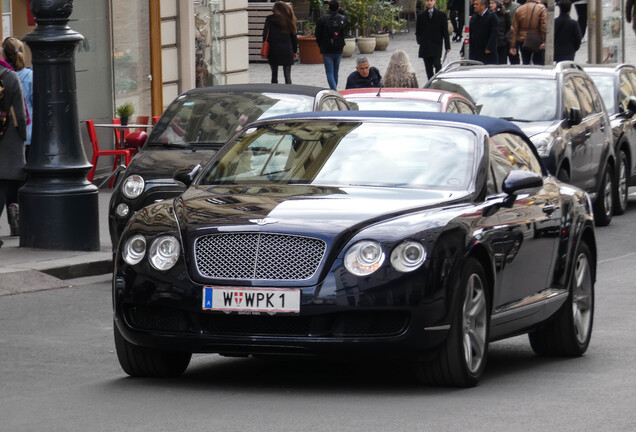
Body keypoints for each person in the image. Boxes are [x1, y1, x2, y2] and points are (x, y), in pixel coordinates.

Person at [1, 37, 30, 238]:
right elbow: (20, 112)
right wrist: (23, 135)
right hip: (9, 137)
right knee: (8, 182)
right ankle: (15, 217)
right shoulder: (11, 77)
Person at [263, 1, 298, 84]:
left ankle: (275, 93)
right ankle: (289, 92)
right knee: (287, 76)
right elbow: (294, 37)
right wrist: (295, 51)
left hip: (273, 49)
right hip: (287, 50)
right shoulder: (289, 19)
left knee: (274, 76)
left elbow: (264, 35)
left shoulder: (269, 19)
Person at [315, 0, 347, 90]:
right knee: (335, 71)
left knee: (329, 72)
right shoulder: (342, 18)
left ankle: (334, 90)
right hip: (338, 47)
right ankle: (334, 89)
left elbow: (317, 34)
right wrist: (340, 10)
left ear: (328, 7)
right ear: (338, 8)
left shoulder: (322, 19)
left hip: (327, 48)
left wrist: (320, 45)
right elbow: (345, 16)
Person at [416, 0, 451, 80]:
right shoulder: (421, 16)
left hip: (436, 45)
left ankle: (437, 80)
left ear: (434, 1)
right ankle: (430, 82)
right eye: (427, 0)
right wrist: (419, 40)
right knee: (428, 68)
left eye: (431, 0)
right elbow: (418, 31)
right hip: (425, 46)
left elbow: (445, 32)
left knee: (437, 64)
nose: (429, 2)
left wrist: (447, 46)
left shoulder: (441, 15)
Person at [509, 0, 547, 65]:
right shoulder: (541, 8)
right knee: (538, 63)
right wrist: (544, 40)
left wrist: (513, 45)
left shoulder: (519, 9)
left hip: (523, 40)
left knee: (525, 62)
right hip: (537, 39)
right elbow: (544, 26)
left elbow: (514, 29)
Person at [469, 0, 499, 65]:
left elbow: (494, 33)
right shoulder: (474, 17)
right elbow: (470, 34)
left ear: (483, 6)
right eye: (474, 4)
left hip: (487, 53)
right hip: (475, 52)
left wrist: (489, 48)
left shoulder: (492, 17)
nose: (474, 6)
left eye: (476, 4)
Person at [490, 0, 511, 64]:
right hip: (492, 43)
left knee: (502, 62)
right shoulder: (489, 14)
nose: (490, 5)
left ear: (497, 4)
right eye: (490, 3)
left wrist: (506, 37)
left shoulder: (505, 14)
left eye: (492, 3)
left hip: (502, 43)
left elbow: (509, 27)